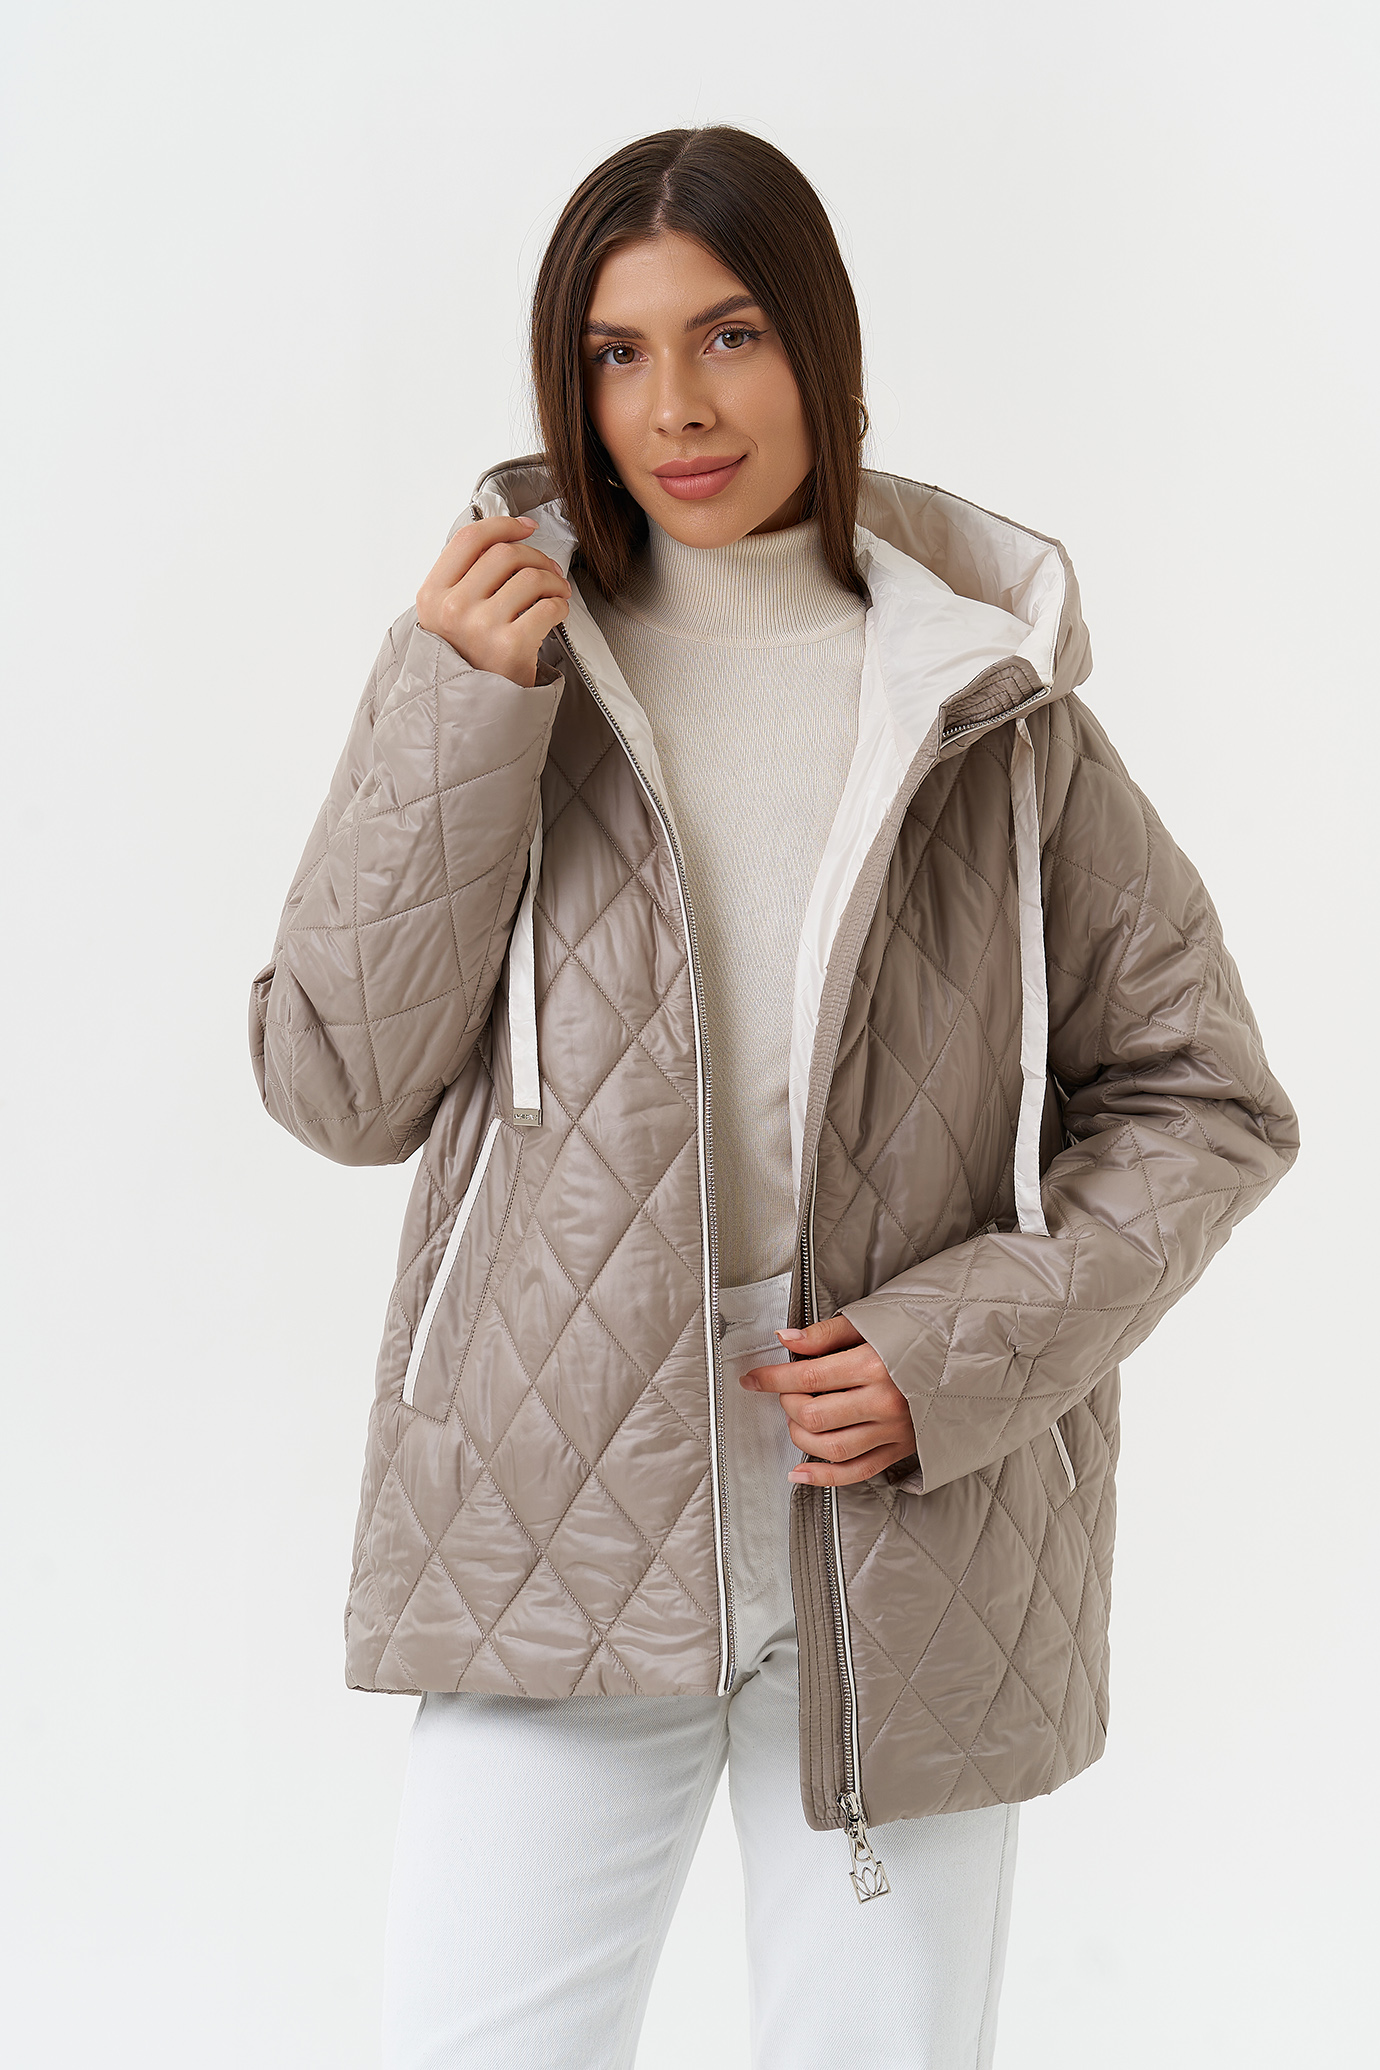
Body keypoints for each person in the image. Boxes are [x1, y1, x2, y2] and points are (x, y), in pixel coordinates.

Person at [249, 126, 1298, 2069]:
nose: (676, 405)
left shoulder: (989, 705)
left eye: (727, 334)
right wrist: (450, 713)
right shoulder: (506, 673)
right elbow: (336, 1083)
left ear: (820, 342)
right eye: (616, 353)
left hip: (904, 1518)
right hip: (559, 1505)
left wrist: (951, 1352)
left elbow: (1207, 1100)